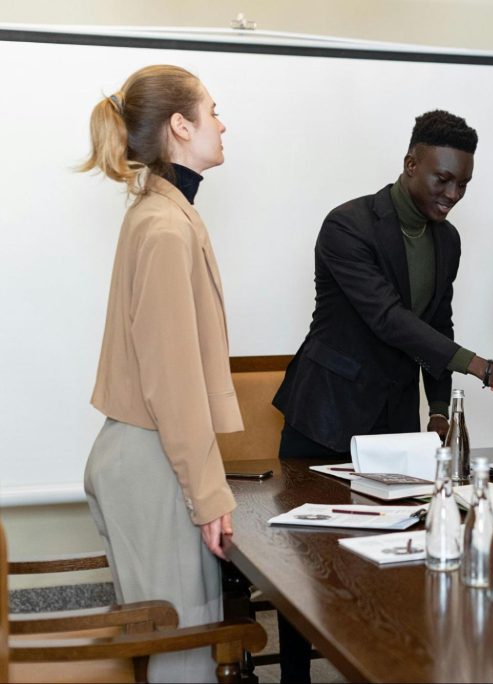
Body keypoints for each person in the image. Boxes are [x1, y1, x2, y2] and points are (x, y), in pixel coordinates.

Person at [271, 109, 493, 682]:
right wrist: (484, 367)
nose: (453, 193)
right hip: (324, 412)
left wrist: (439, 410)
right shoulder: (346, 224)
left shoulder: (448, 240)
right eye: (442, 179)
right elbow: (388, 319)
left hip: (394, 421)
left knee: (389, 558)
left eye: (463, 184)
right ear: (410, 164)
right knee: (308, 563)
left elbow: (433, 324)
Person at [81, 65, 239, 682]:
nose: (222, 125)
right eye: (213, 111)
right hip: (151, 461)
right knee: (185, 656)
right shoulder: (165, 226)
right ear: (181, 126)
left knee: (177, 648)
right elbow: (171, 382)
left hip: (141, 454)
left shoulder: (159, 212)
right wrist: (207, 495)